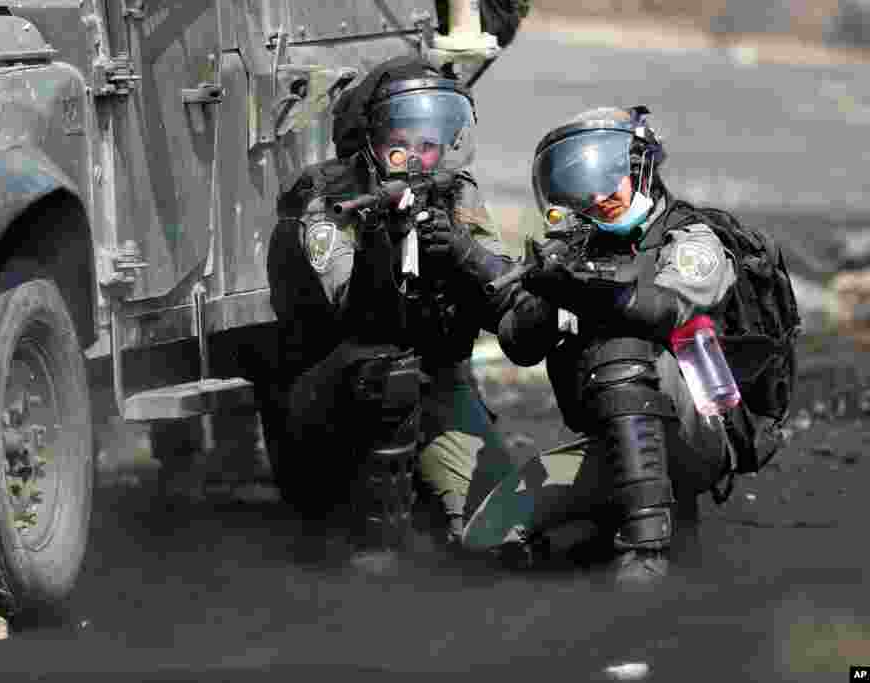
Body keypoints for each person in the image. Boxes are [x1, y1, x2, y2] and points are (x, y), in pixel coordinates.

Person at [262, 56, 557, 571]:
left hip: (437, 384)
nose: (416, 161)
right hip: (331, 396)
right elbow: (349, 312)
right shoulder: (329, 201)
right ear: (372, 144)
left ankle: (419, 491)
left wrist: (463, 252)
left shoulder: (457, 193)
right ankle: (377, 543)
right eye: (400, 147)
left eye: (428, 146)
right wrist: (388, 238)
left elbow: (500, 304)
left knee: (505, 533)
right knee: (383, 367)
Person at [497, 105, 753, 583]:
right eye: (579, 186)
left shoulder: (691, 239)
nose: (598, 194)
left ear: (640, 168)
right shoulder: (576, 253)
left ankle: (646, 551)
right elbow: (518, 344)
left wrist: (593, 292)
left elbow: (667, 308)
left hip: (701, 431)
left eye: (610, 174)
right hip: (614, 441)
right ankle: (628, 517)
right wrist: (548, 294)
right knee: (491, 531)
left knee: (621, 345)